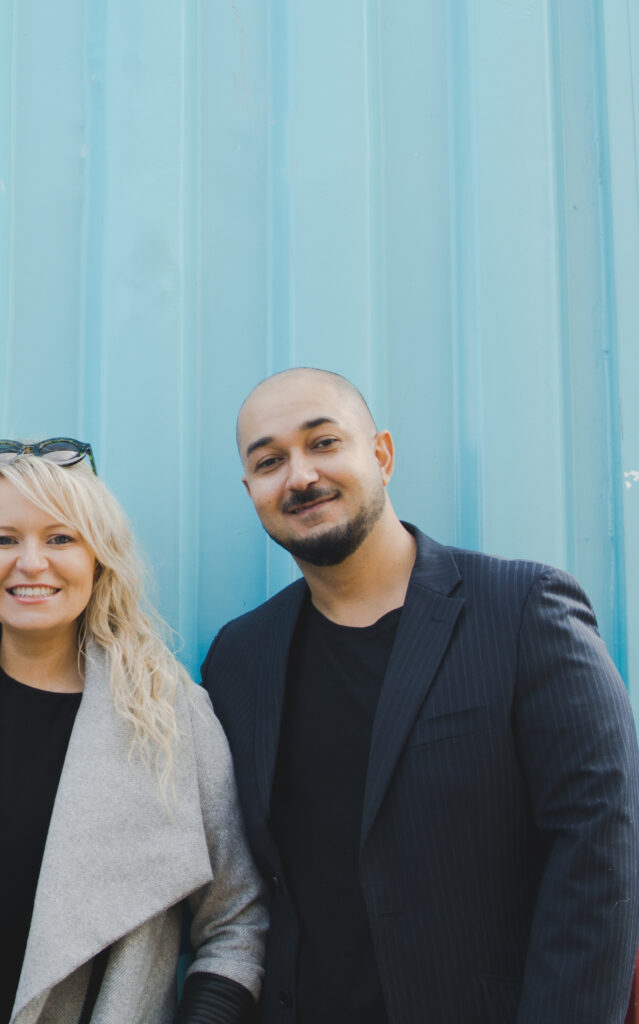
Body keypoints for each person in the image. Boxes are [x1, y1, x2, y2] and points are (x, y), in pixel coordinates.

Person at [201, 368, 639, 1023]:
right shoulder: (238, 659)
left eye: (323, 443)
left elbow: (600, 854)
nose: (298, 476)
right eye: (269, 461)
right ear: (250, 490)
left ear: (380, 454)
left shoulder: (521, 612)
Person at [0, 437, 267, 1024]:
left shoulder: (170, 718)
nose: (31, 562)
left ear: (98, 557)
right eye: (3, 539)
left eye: (60, 538)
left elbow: (235, 921)